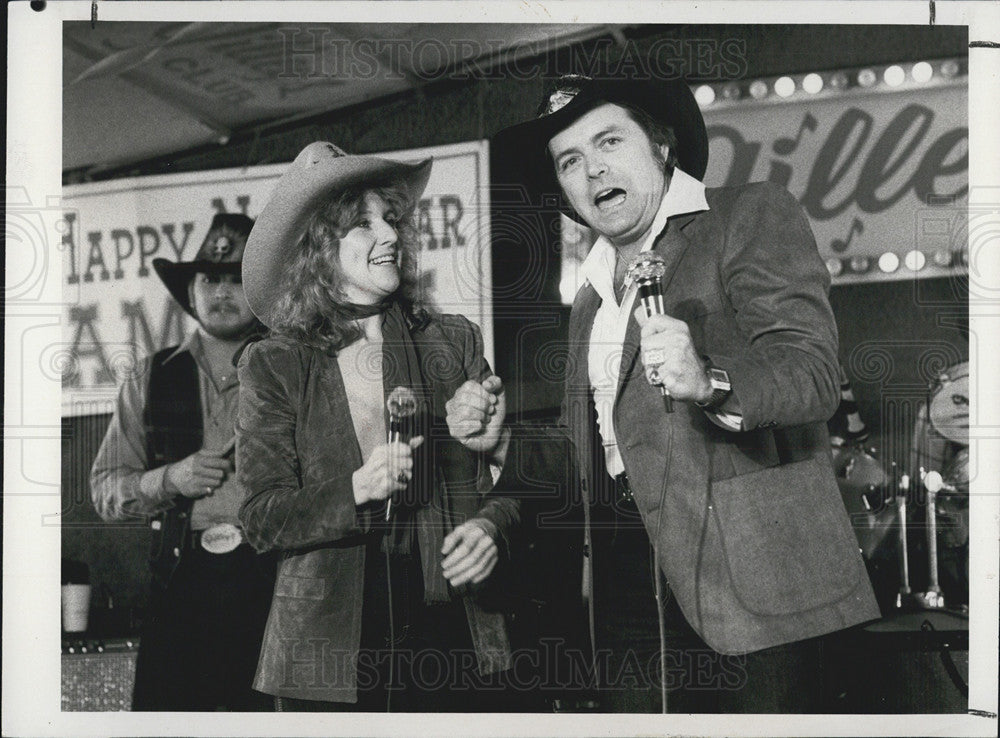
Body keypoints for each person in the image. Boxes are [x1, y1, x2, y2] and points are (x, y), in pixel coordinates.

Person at [491, 74, 880, 712]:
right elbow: (588, 446)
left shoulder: (748, 213)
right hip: (624, 578)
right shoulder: (588, 294)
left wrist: (711, 379)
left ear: (662, 146)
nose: (592, 170)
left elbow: (810, 373)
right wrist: (497, 443)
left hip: (755, 575)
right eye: (570, 160)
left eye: (608, 140)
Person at [236, 141, 519, 712]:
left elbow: (517, 481)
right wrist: (357, 489)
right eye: (363, 225)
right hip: (331, 647)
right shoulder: (275, 362)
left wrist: (493, 523)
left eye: (389, 219)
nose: (390, 235)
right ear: (316, 248)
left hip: (452, 622)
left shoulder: (452, 339)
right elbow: (261, 519)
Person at [91, 213, 275, 711]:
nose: (222, 291)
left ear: (262, 288)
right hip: (178, 585)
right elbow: (105, 488)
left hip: (272, 586)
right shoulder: (149, 377)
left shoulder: (292, 373)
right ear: (190, 292)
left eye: (237, 278)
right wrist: (170, 478)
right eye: (210, 278)